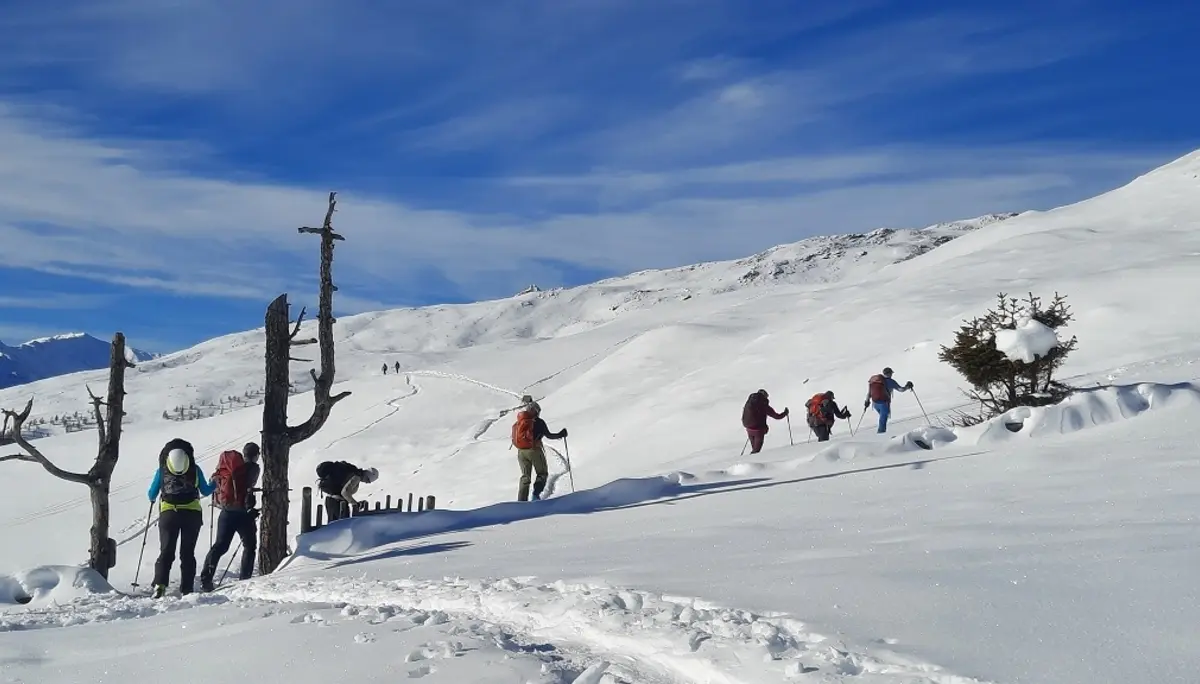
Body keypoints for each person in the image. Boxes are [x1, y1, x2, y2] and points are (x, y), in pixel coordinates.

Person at [147, 438, 215, 598]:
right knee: (187, 553)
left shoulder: (162, 471)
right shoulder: (195, 469)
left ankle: (160, 585)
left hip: (168, 515)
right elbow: (205, 491)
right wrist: (214, 484)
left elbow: (151, 494)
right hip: (192, 515)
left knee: (166, 551)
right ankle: (187, 588)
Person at [200, 443, 261, 592]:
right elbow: (248, 488)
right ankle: (244, 580)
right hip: (243, 514)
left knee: (220, 546)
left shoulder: (229, 469)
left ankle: (206, 579)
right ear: (256, 455)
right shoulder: (252, 468)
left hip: (226, 512)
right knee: (250, 546)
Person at [510, 401, 566, 501]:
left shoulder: (518, 422)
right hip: (534, 450)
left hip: (521, 452)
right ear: (536, 411)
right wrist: (561, 434)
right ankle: (536, 495)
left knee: (525, 476)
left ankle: (521, 501)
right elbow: (549, 435)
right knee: (542, 473)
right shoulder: (539, 422)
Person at [863, 367, 913, 433]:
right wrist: (907, 386)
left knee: (882, 418)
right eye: (891, 373)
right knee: (883, 420)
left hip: (875, 403)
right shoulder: (890, 381)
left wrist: (866, 402)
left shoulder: (875, 381)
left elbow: (869, 393)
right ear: (889, 374)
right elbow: (901, 389)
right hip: (883, 403)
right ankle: (881, 435)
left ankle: (881, 433)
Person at [741, 389, 788, 454]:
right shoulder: (763, 405)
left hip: (748, 428)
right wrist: (785, 413)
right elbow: (777, 416)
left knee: (755, 450)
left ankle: (751, 461)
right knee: (756, 451)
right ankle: (749, 462)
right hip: (758, 430)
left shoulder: (750, 402)